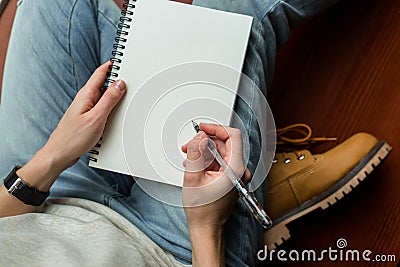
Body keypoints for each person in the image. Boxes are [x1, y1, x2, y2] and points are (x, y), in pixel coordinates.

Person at [0, 0, 390, 266]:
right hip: (165, 250)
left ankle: (258, 175)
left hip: (38, 198)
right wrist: (208, 228)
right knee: (227, 16)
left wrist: (50, 158)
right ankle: (251, 190)